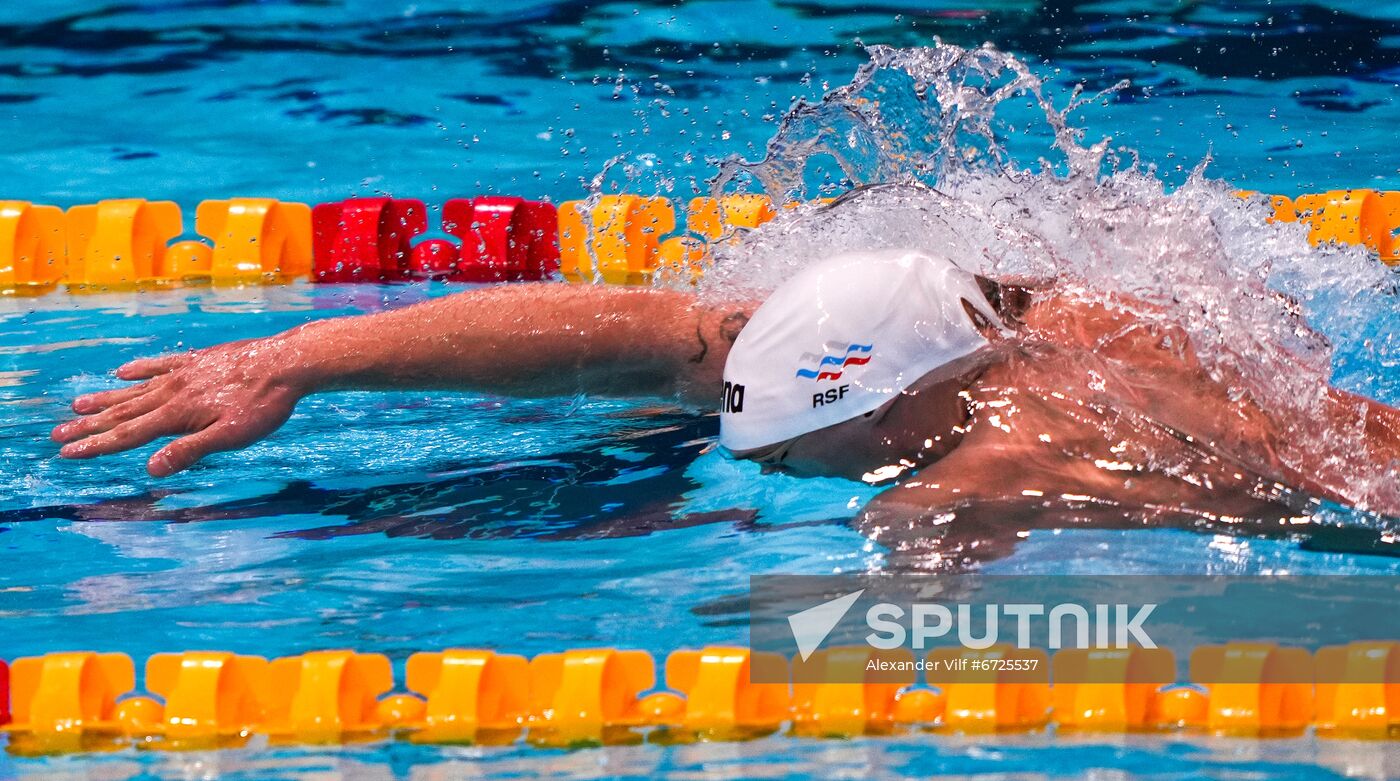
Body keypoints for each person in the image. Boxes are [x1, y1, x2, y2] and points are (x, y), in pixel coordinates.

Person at [51, 249, 1400, 566]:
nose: (791, 470)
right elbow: (667, 334)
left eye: (807, 455)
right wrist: (292, 357)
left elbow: (877, 627)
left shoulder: (997, 465)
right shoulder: (1014, 305)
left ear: (890, 411)